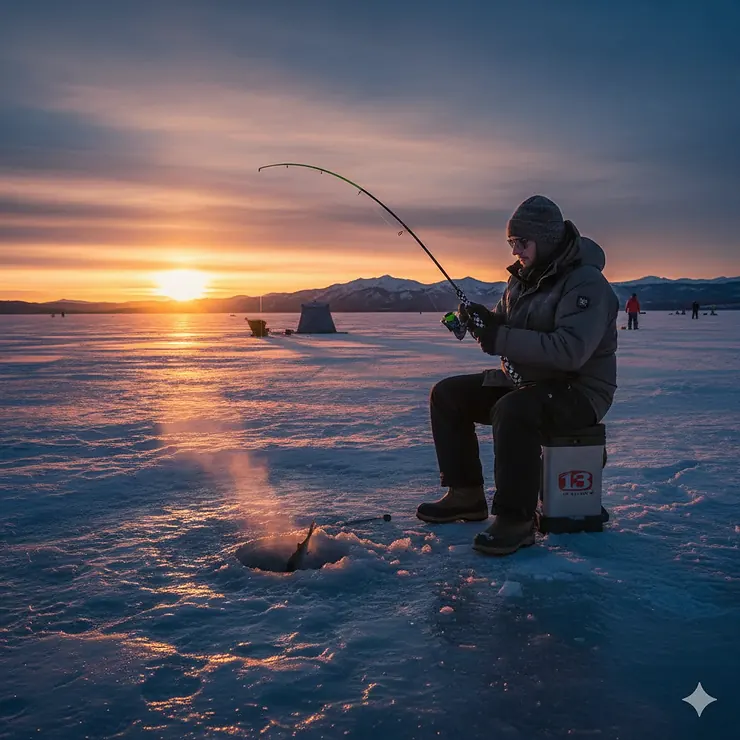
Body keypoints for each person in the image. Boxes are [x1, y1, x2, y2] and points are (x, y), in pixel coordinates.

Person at [416, 196, 619, 555]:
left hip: (579, 392)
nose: (516, 252)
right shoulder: (522, 281)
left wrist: (499, 337)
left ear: (548, 239)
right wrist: (483, 321)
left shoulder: (587, 284)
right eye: (512, 244)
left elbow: (570, 351)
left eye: (521, 243)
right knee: (448, 394)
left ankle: (516, 519)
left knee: (514, 410)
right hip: (526, 382)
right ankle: (466, 495)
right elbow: (505, 324)